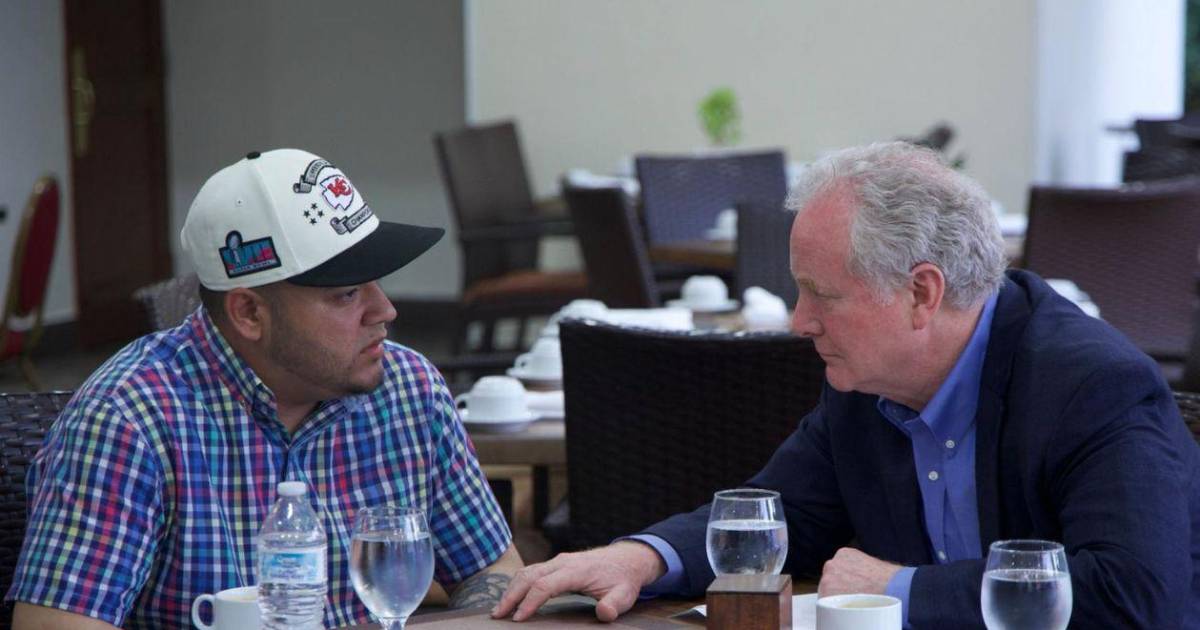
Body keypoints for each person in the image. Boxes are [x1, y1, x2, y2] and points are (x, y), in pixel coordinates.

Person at [494, 142, 1200, 628]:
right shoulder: (868, 382)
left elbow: (1136, 595)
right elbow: (780, 518)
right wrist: (641, 557)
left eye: (821, 295)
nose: (798, 322)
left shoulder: (1090, 385)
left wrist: (900, 591)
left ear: (922, 294)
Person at [6, 149, 522, 629]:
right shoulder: (128, 420)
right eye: (347, 294)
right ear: (249, 312)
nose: (385, 310)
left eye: (377, 283)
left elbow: (491, 571)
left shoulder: (408, 389)